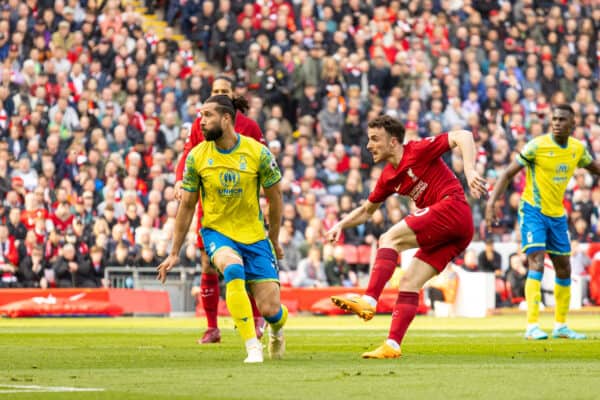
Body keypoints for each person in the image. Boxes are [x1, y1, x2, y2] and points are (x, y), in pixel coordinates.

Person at [327, 115, 486, 358]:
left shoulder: (418, 150)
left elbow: (463, 135)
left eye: (375, 139)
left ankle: (369, 300)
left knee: (389, 238)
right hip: (456, 233)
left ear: (393, 142)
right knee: (409, 282)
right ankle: (392, 344)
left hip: (452, 207)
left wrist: (469, 169)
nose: (369, 145)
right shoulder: (388, 177)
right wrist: (341, 224)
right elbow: (367, 211)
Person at [157, 95, 287, 363]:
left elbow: (275, 198)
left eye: (207, 116)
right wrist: (173, 252)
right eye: (200, 116)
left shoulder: (258, 153)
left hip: (254, 235)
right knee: (233, 269)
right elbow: (187, 206)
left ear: (226, 119)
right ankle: (252, 346)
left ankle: (276, 328)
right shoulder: (196, 157)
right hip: (217, 232)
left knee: (272, 309)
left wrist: (273, 238)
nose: (201, 122)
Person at [486, 104, 600, 340]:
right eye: (554, 119)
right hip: (533, 211)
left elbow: (595, 167)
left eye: (562, 120)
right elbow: (507, 173)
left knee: (564, 267)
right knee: (536, 262)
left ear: (573, 125)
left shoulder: (577, 149)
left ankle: (560, 325)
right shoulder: (537, 146)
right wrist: (490, 204)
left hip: (557, 215)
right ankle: (532, 326)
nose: (557, 123)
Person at [174, 74, 265, 344]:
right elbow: (188, 155)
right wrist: (180, 179)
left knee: (247, 264)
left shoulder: (249, 126)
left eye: (224, 90)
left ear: (232, 94)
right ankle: (212, 327)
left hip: (243, 205)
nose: (219, 93)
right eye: (215, 90)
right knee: (207, 264)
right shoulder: (198, 126)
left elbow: (263, 163)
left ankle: (257, 318)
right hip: (211, 204)